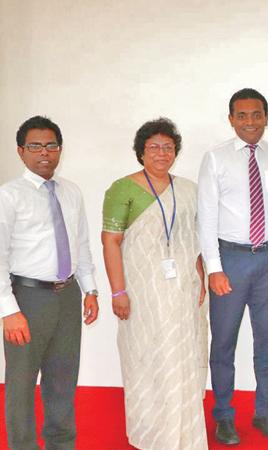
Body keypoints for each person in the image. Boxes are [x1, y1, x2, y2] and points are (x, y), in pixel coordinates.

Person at [101, 118, 208, 450]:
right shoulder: (122, 188)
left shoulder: (189, 189)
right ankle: (152, 435)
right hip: (142, 293)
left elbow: (195, 241)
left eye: (168, 147)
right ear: (140, 152)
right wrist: (118, 291)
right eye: (153, 147)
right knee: (148, 359)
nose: (162, 153)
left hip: (184, 292)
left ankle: (186, 436)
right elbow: (111, 241)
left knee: (186, 356)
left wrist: (201, 281)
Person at [198, 88, 268, 445]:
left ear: (266, 117)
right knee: (223, 342)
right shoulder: (216, 158)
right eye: (242, 116)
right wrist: (214, 268)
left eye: (256, 115)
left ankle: (265, 412)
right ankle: (224, 415)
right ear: (231, 119)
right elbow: (206, 217)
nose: (250, 122)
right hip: (230, 259)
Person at [1, 115, 99, 449]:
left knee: (62, 380)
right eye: (36, 146)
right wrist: (7, 311)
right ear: (21, 151)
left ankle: (61, 445)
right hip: (26, 298)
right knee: (21, 384)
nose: (45, 152)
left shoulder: (71, 192)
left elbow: (81, 243)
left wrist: (90, 289)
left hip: (67, 296)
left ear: (60, 149)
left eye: (51, 145)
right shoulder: (8, 196)